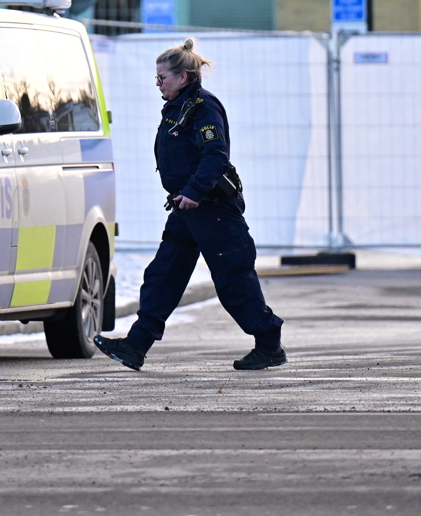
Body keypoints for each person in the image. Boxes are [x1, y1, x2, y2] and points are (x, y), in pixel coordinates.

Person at [94, 38, 286, 371]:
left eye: (162, 77)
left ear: (183, 76)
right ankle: (135, 346)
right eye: (156, 78)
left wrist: (195, 191)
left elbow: (215, 155)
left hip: (212, 209)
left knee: (233, 279)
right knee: (163, 275)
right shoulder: (178, 106)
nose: (158, 84)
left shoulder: (202, 107)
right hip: (187, 209)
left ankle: (269, 344)